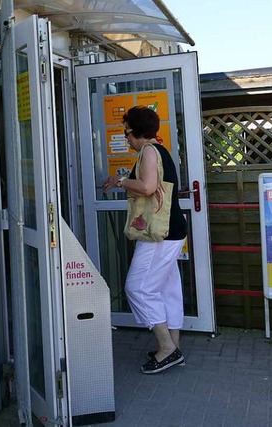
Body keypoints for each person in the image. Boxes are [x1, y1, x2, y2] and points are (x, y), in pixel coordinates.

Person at [103, 106, 188, 374]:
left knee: (137, 287)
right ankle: (174, 346)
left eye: (126, 131)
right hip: (171, 231)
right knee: (166, 290)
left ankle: (166, 348)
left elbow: (148, 187)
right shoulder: (159, 151)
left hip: (158, 235)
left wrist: (121, 181)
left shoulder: (149, 152)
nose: (125, 137)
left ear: (136, 131)